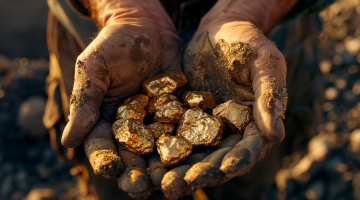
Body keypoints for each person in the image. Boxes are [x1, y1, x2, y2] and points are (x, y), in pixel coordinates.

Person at [43, 0, 334, 199]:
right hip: (106, 40)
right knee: (115, 184)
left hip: (260, 32)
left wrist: (248, 9)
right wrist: (123, 8)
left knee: (246, 179)